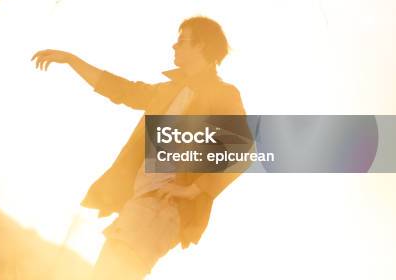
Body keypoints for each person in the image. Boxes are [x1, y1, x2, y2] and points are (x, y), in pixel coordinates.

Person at [31, 16, 248, 279]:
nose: (174, 46)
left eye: (182, 41)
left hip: (162, 206)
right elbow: (121, 90)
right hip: (142, 203)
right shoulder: (171, 91)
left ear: (201, 46)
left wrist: (194, 190)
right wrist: (72, 60)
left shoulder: (222, 94)